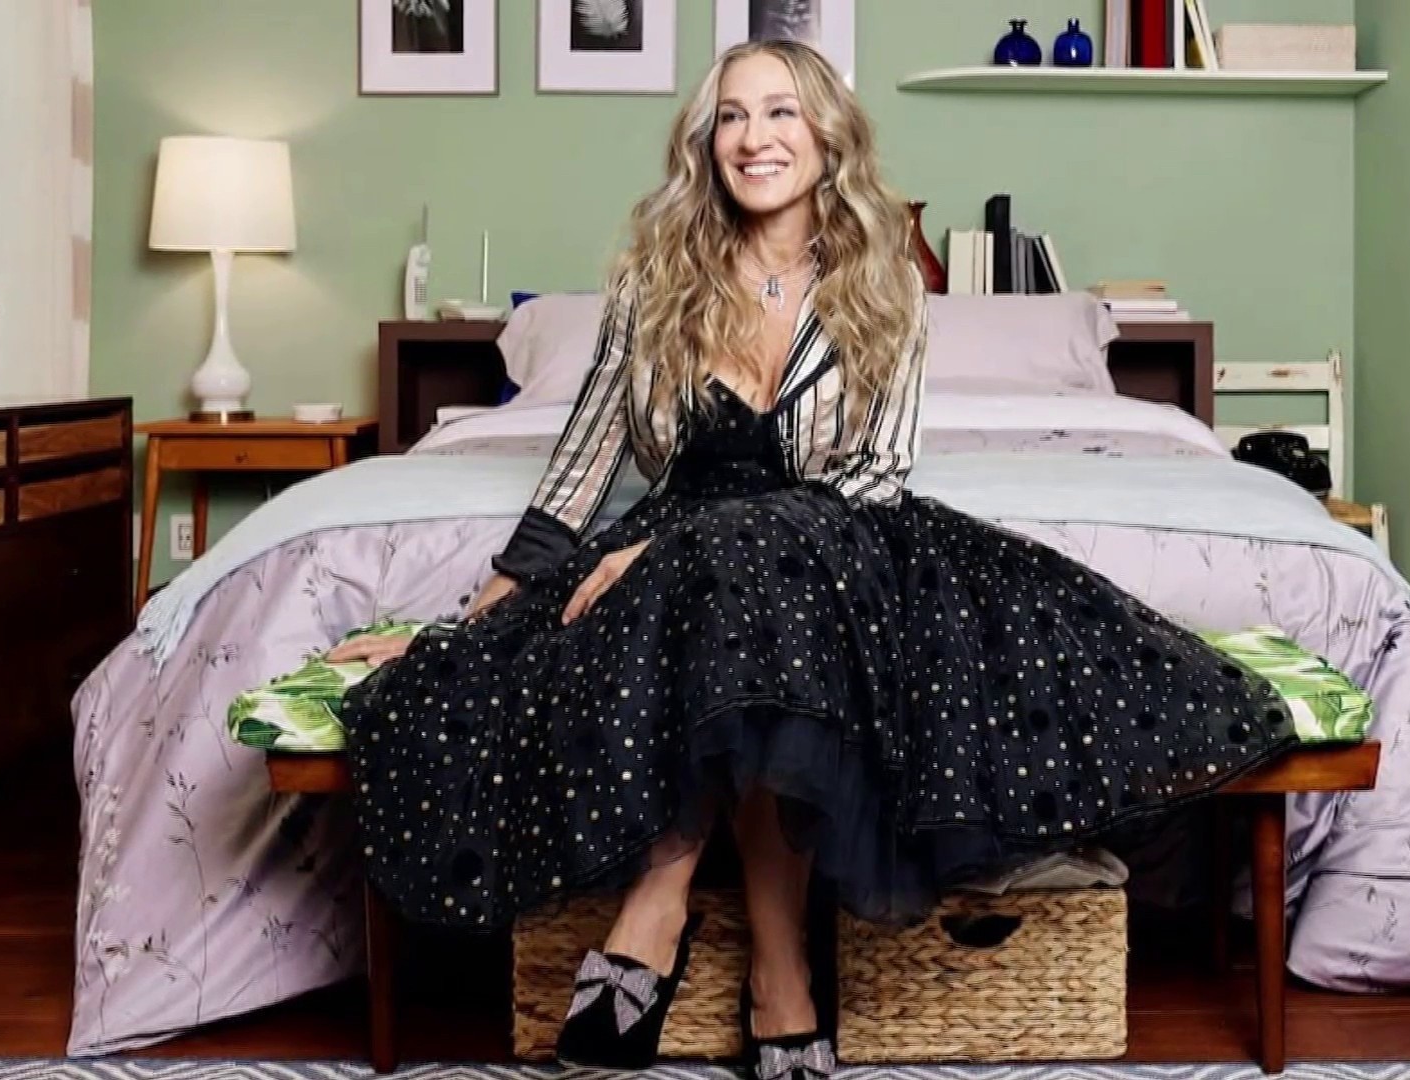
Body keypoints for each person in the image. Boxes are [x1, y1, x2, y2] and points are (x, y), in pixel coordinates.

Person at [335, 39, 1299, 1080]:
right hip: (683, 554)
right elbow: (580, 468)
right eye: (733, 116)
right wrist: (479, 613)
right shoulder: (652, 281)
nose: (755, 138)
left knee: (768, 583)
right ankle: (778, 972)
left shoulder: (884, 282)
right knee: (716, 615)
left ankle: (658, 915)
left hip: (838, 544)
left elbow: (876, 473)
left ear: (827, 137)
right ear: (706, 144)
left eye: (781, 112)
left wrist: (678, 546)